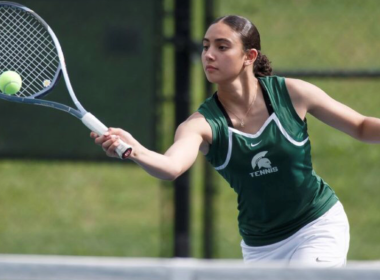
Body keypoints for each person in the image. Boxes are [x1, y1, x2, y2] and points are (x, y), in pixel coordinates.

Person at [91, 15, 380, 267]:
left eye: (222, 46)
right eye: (205, 47)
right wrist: (135, 151)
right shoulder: (201, 125)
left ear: (249, 56)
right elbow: (171, 166)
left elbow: (362, 126)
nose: (209, 55)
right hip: (261, 247)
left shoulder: (292, 94)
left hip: (316, 225)